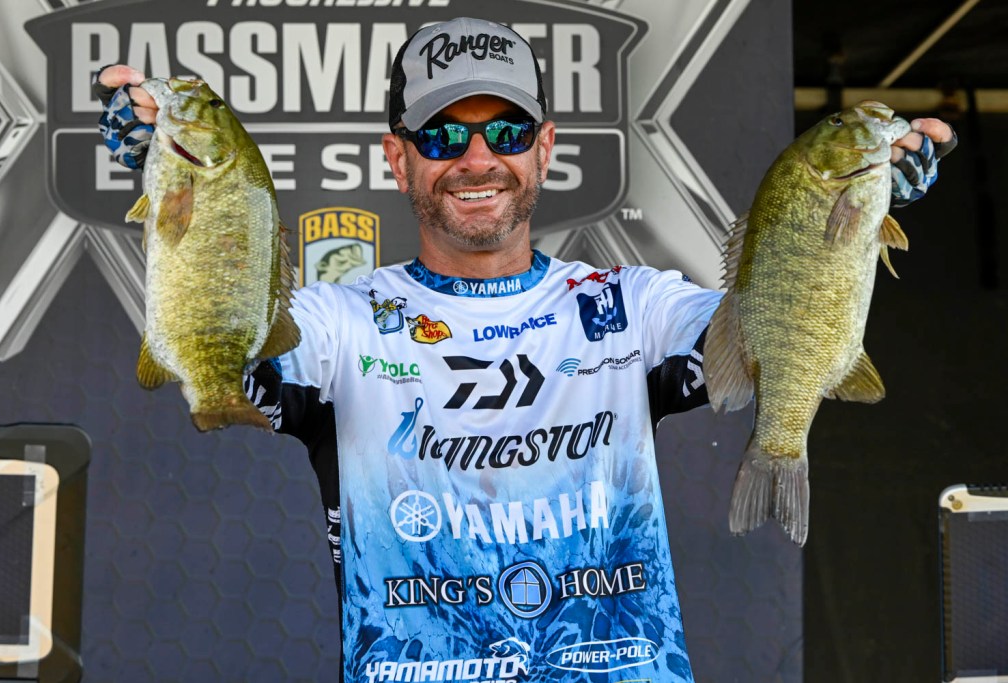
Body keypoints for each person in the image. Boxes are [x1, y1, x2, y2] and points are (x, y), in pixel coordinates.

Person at [94, 16, 955, 683]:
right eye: (442, 136)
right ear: (397, 159)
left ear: (544, 149)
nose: (477, 159)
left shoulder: (633, 306)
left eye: (506, 133)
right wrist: (185, 191)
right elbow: (227, 359)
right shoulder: (338, 323)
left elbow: (770, 331)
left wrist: (845, 221)